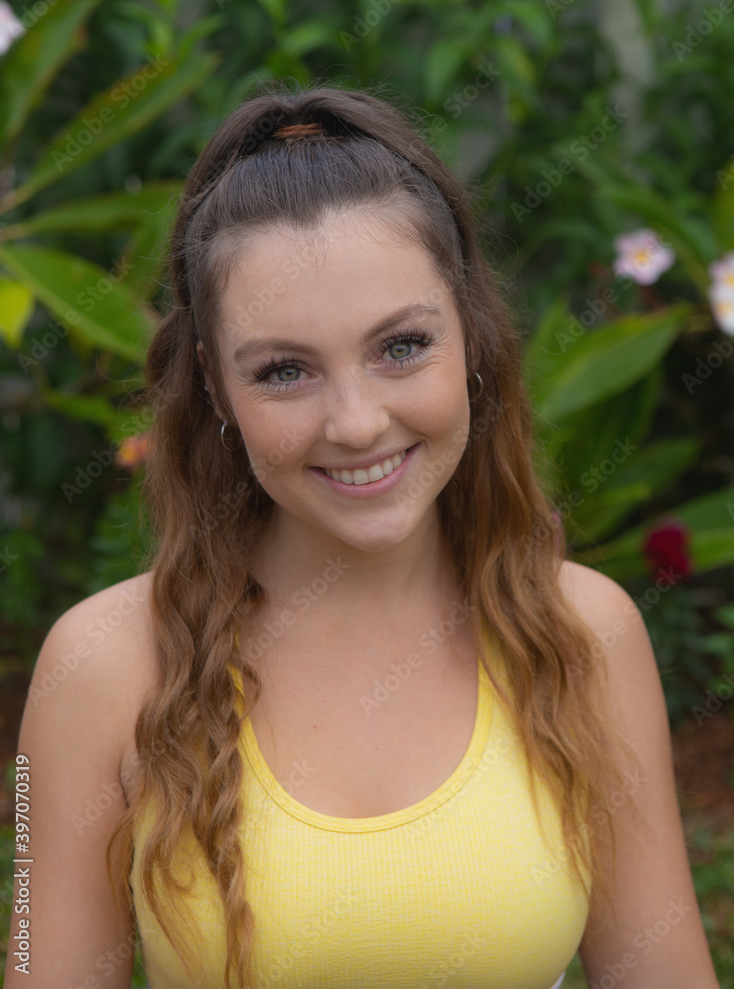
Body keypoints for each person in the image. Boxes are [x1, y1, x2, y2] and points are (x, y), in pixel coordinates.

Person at [6, 82, 720, 989]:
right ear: (215, 390)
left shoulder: (583, 634)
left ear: (472, 335)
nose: (355, 422)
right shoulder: (101, 666)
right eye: (286, 369)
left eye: (401, 346)